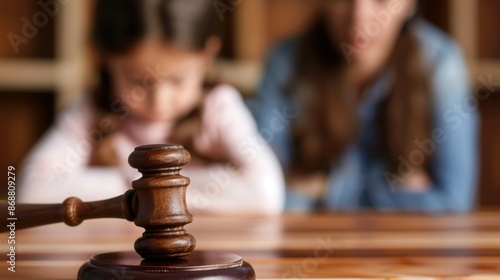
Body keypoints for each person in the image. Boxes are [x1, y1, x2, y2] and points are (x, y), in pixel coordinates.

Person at [19, 0, 285, 215]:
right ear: (105, 58)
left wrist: (136, 194)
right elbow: (30, 193)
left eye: (178, 80)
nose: (159, 101)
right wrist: (148, 192)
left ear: (207, 56)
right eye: (139, 81)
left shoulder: (218, 108)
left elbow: (267, 193)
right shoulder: (91, 111)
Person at [251, 0, 478, 213]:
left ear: (408, 4)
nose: (359, 18)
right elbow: (260, 194)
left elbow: (454, 202)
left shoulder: (441, 63)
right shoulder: (284, 62)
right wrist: (398, 192)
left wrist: (323, 189)